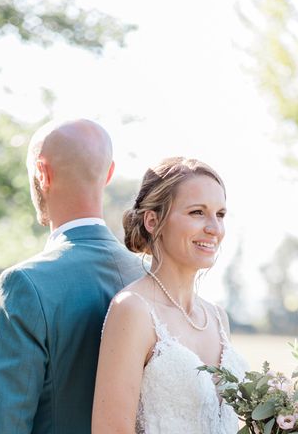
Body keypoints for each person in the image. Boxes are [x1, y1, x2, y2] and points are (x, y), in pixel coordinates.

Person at [0, 119, 144, 434]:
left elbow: (3, 426)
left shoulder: (25, 284)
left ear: (42, 173)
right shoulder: (151, 278)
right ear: (109, 174)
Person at [92, 157, 248, 434]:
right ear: (153, 221)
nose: (214, 228)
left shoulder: (217, 318)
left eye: (220, 214)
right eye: (197, 212)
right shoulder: (134, 310)